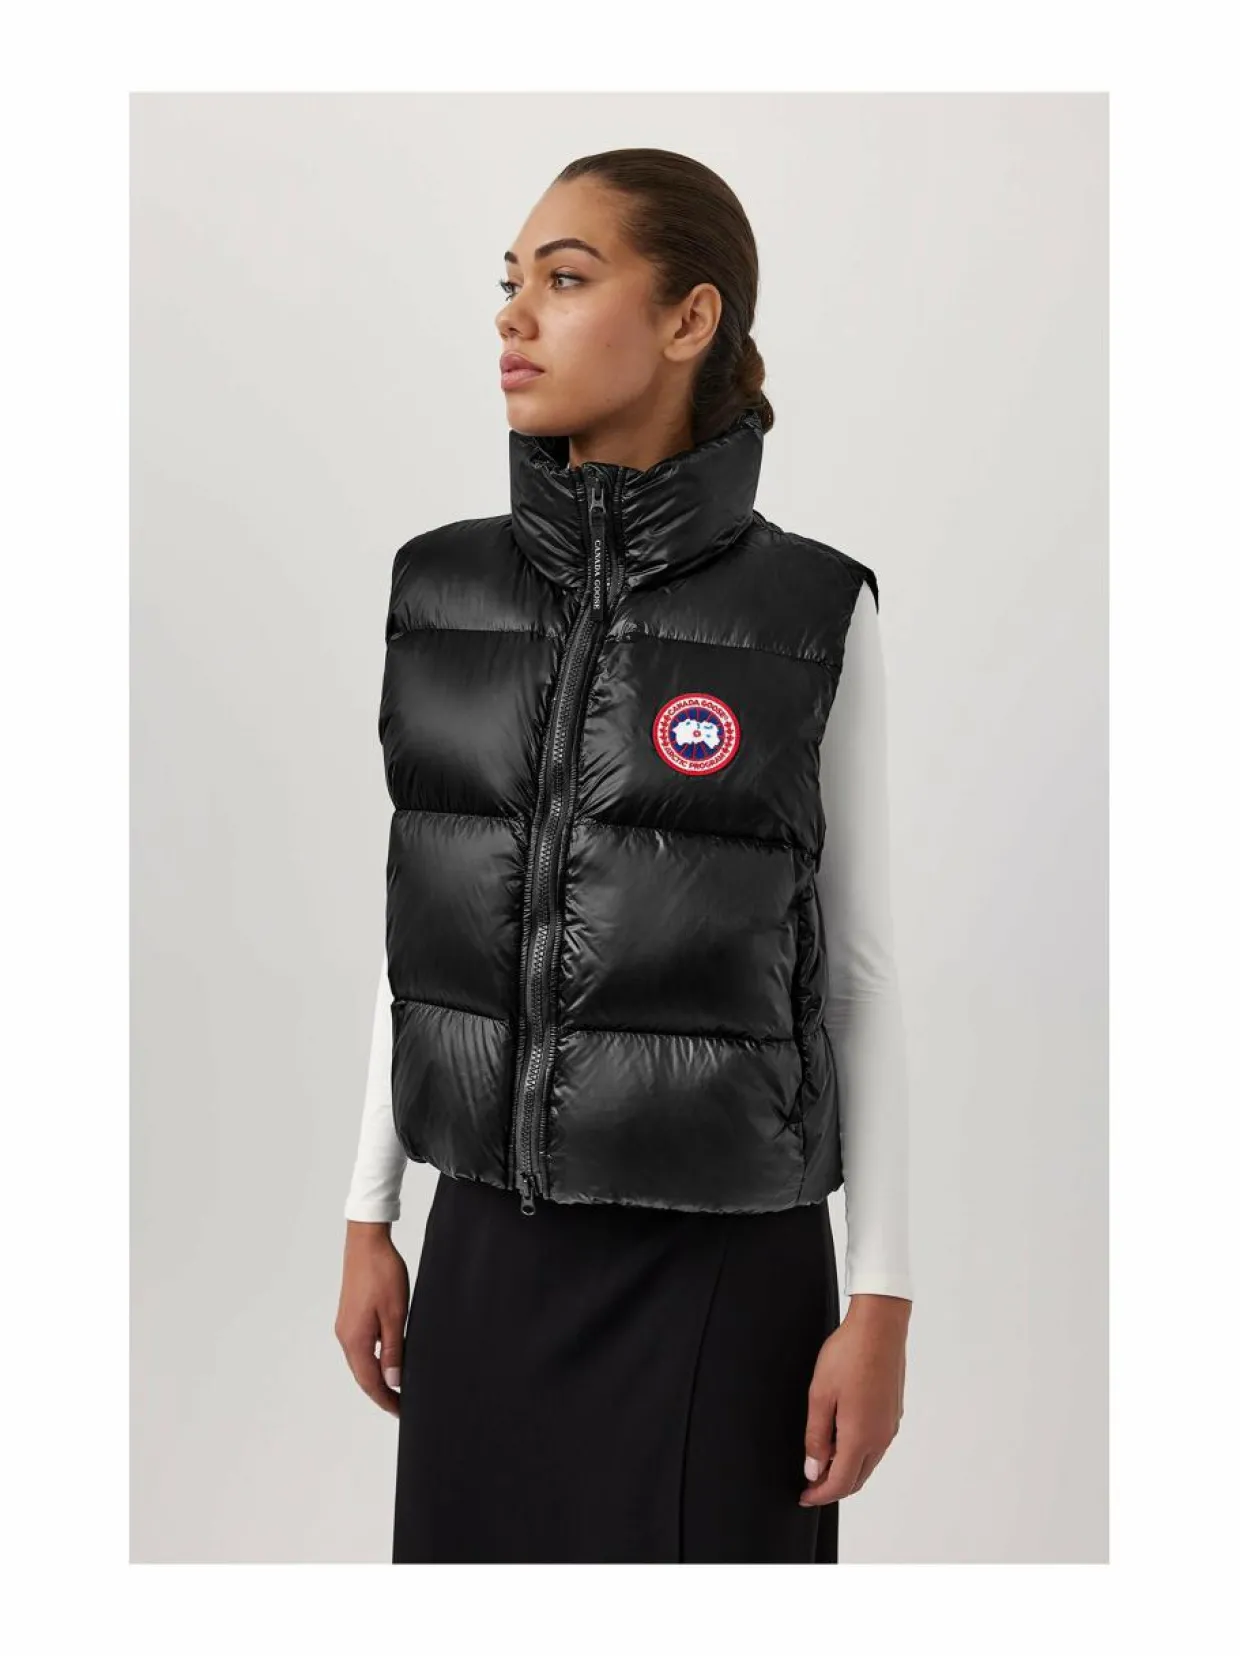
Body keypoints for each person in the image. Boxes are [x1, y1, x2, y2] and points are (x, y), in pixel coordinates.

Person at [333, 147, 913, 1564]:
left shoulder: (808, 612)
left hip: (721, 1264)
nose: (514, 313)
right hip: (485, 1246)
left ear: (689, 319)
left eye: (568, 277)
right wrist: (370, 1211)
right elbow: (425, 933)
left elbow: (858, 971)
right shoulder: (439, 589)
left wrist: (882, 1299)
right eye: (511, 281)